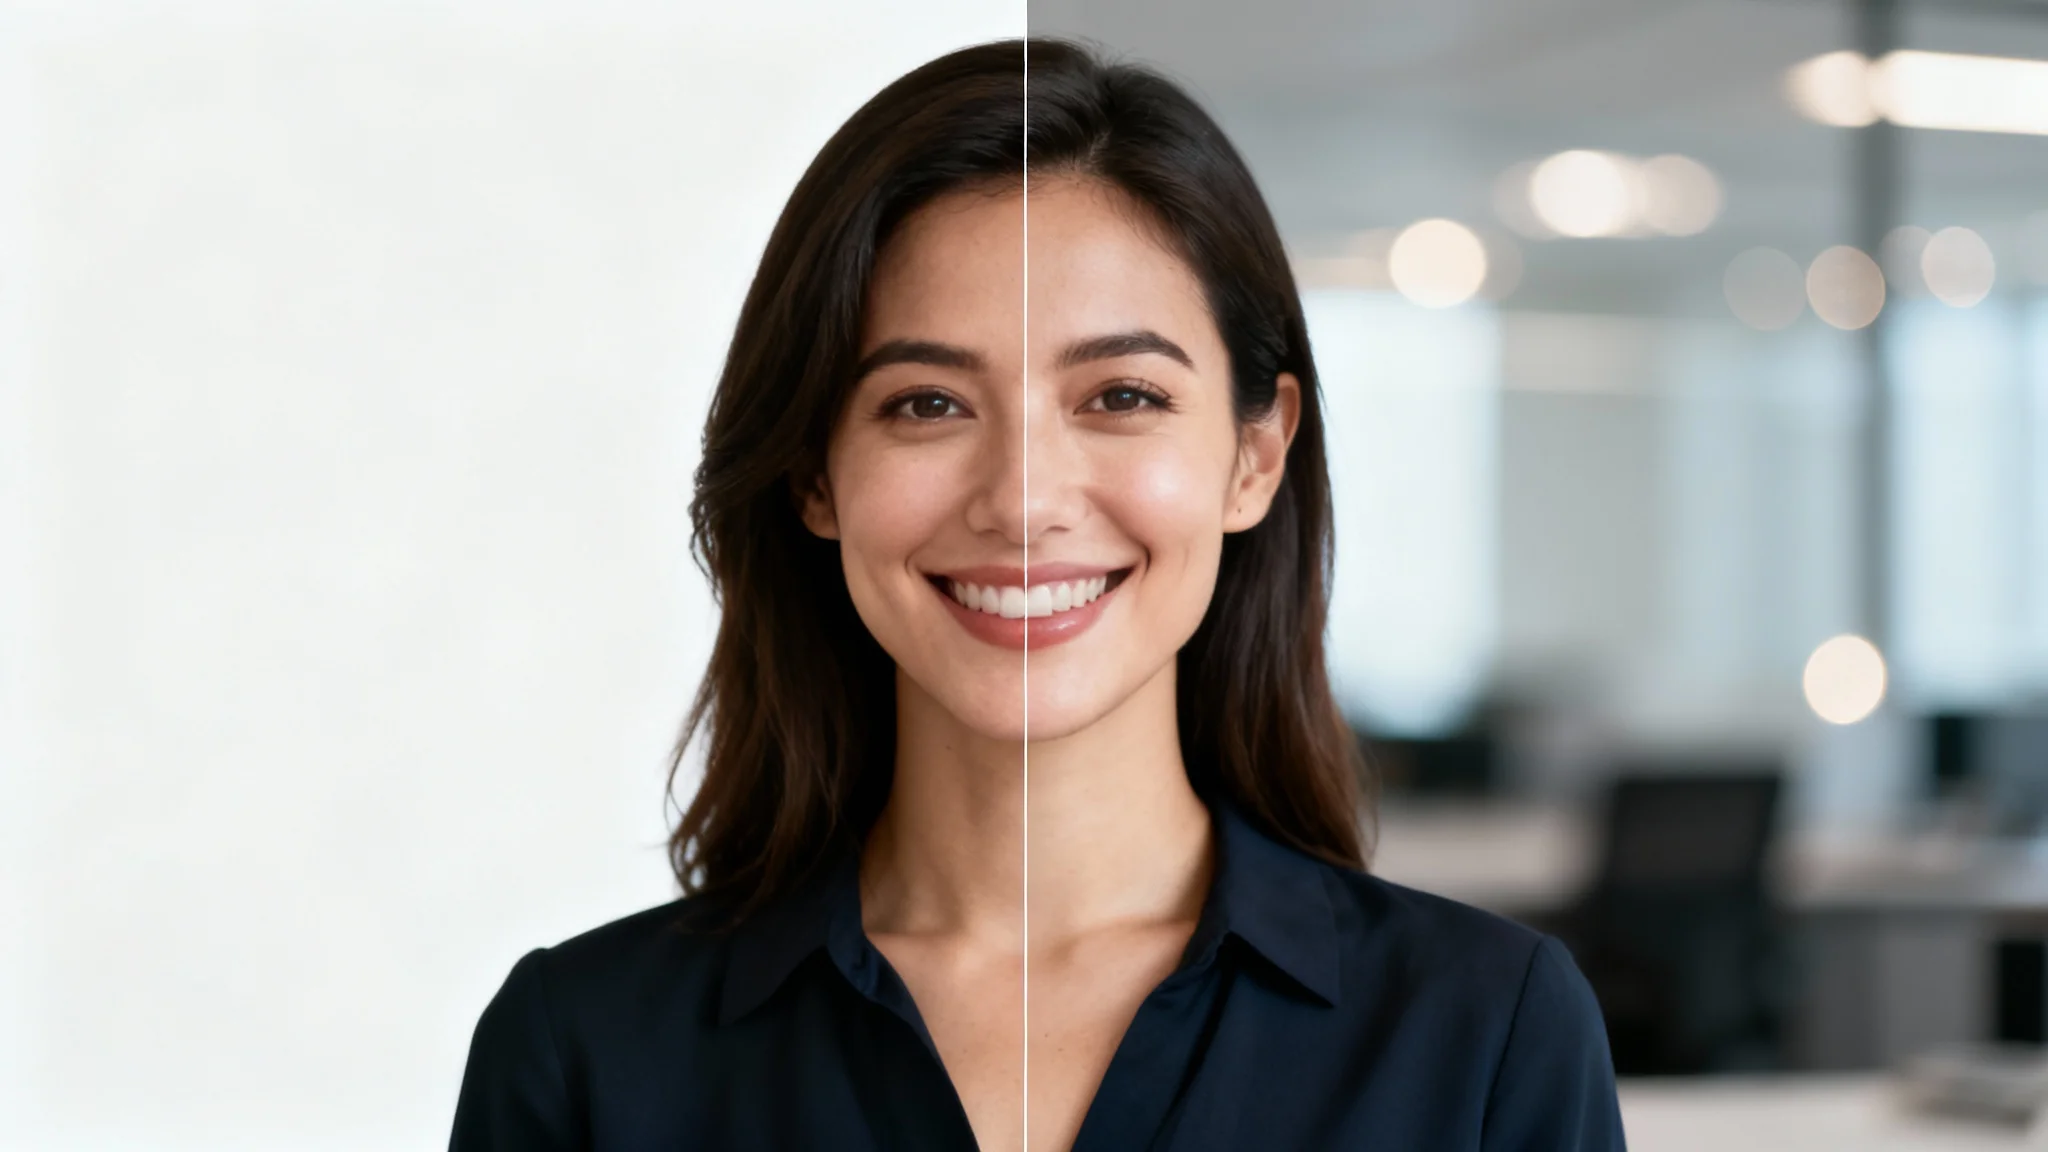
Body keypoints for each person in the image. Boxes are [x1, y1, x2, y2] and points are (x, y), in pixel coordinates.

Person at [449, 36, 1625, 1152]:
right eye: (925, 403)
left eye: (1119, 396)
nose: (1022, 500)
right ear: (815, 472)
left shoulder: (1482, 1033)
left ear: (1252, 455)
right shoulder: (585, 1054)